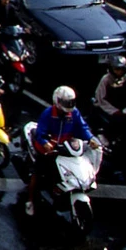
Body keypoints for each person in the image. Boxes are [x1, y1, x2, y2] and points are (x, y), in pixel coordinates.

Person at [26, 86, 100, 216]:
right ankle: (30, 201)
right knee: (37, 174)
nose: (69, 106)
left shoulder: (74, 113)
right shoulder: (48, 113)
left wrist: (90, 138)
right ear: (57, 101)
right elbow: (40, 133)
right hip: (49, 148)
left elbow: (83, 127)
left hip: (66, 147)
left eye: (71, 103)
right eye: (66, 103)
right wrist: (45, 143)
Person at [93, 55, 126, 143]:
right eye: (116, 69)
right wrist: (114, 111)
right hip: (107, 107)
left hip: (122, 106)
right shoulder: (105, 79)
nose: (119, 72)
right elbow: (100, 99)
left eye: (121, 69)